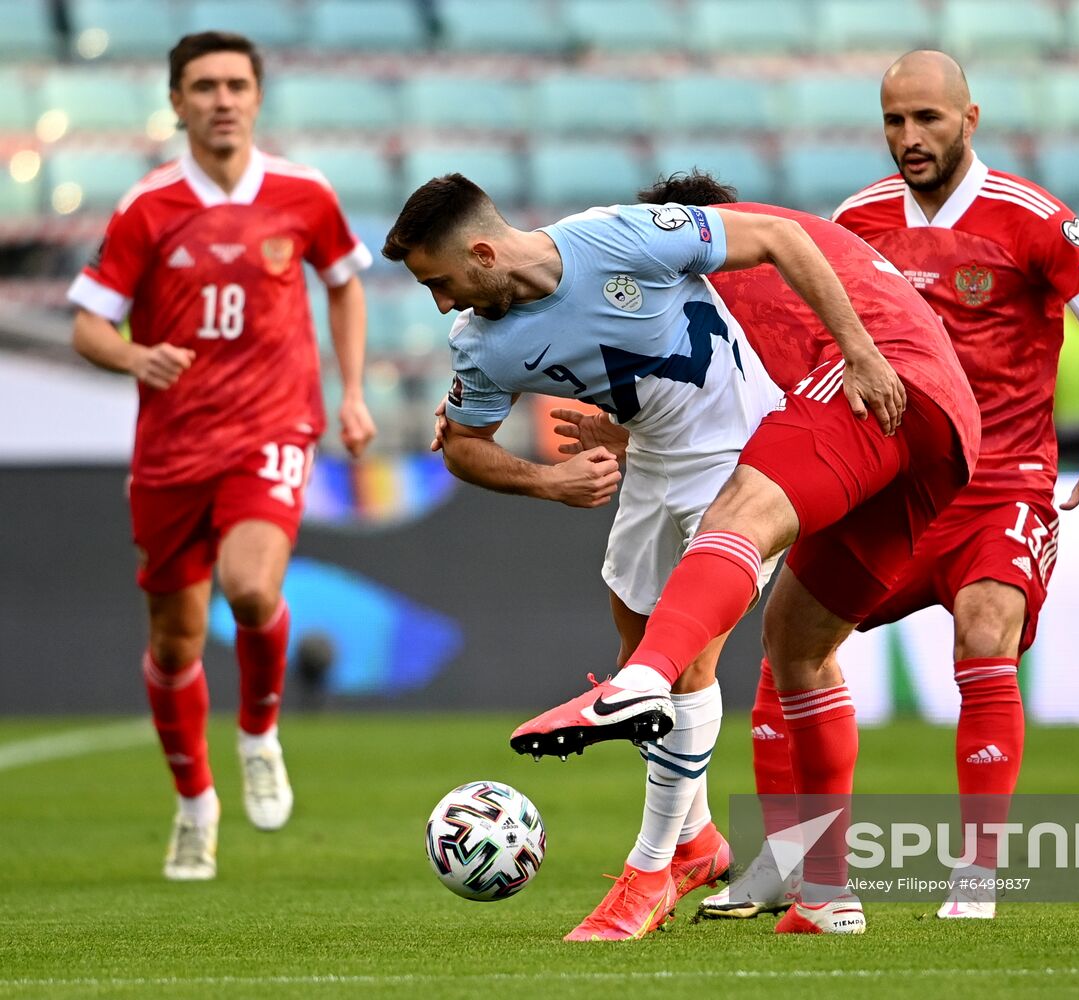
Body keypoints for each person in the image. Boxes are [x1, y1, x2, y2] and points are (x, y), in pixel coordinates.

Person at [382, 173, 908, 940]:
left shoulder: (619, 236)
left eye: (441, 281)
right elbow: (463, 448)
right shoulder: (481, 344)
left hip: (740, 457)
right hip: (656, 462)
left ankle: (648, 873)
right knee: (637, 661)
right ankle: (696, 841)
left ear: (485, 251)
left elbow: (781, 238)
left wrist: (857, 352)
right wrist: (549, 482)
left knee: (680, 668)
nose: (441, 304)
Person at [714, 49, 1079, 921]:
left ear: (969, 119)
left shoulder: (1031, 218)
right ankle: (787, 857)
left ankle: (976, 874)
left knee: (984, 630)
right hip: (887, 481)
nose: (907, 138)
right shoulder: (856, 217)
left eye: (926, 119)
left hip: (1001, 485)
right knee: (787, 642)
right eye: (892, 121)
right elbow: (805, 337)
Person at [512, 171, 983, 931]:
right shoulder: (770, 259)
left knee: (737, 515)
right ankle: (826, 894)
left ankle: (639, 683)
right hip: (948, 430)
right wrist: (632, 433)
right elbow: (717, 384)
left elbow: (735, 405)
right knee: (795, 643)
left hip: (875, 383)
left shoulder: (711, 257)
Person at [67, 31, 375, 882]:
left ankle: (258, 733)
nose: (222, 99)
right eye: (203, 86)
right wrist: (134, 356)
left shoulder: (303, 193)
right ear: (176, 102)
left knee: (251, 587)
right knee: (174, 644)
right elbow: (88, 323)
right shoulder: (148, 206)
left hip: (272, 427)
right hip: (171, 449)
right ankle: (195, 804)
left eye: (236, 84)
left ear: (258, 97)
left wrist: (351, 392)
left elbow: (344, 281)